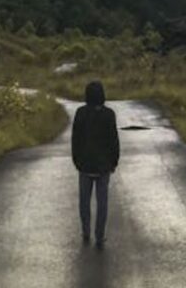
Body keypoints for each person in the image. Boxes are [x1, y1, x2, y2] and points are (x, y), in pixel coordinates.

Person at [71, 81, 119, 250]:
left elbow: (75, 139)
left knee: (84, 201)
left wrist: (76, 160)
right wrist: (114, 161)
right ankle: (99, 236)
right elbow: (114, 140)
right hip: (103, 166)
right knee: (102, 202)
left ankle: (86, 231)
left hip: (84, 164)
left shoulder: (80, 113)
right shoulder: (109, 114)